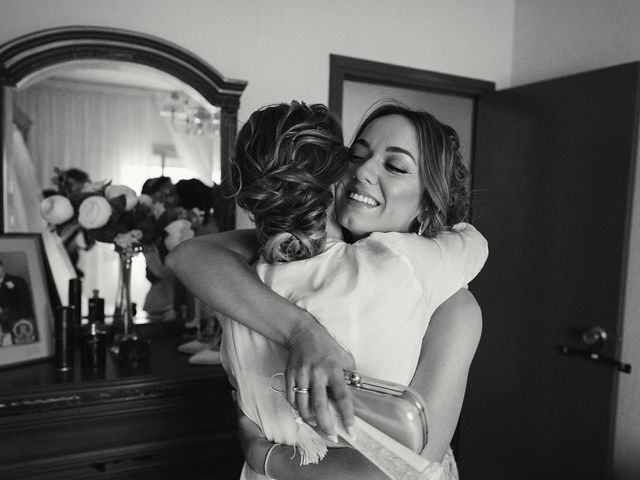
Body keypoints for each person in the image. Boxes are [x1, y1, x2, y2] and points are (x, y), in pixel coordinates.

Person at [168, 101, 487, 479]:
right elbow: (188, 256)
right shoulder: (290, 249)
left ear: (428, 201)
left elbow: (402, 471)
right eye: (357, 155)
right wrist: (303, 333)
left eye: (395, 166)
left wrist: (263, 456)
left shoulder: (453, 308)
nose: (364, 171)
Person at [0, 259, 36, 346]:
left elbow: (26, 307)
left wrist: (3, 312)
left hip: (18, 328)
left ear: (2, 267)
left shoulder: (18, 281)